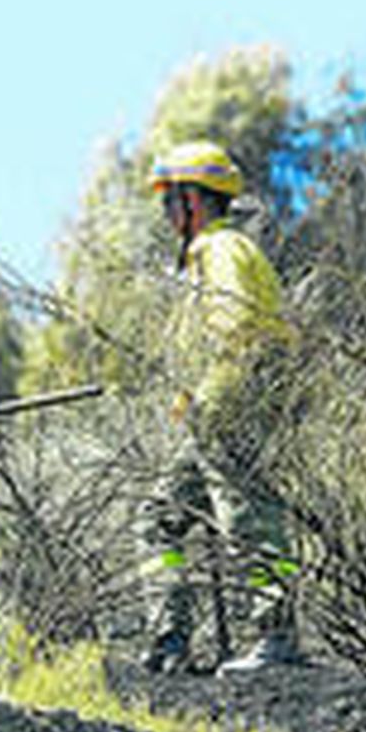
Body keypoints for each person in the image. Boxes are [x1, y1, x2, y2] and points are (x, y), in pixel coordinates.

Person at [141, 140, 302, 675]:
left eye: (170, 200)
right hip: (214, 402)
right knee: (158, 518)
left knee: (247, 517)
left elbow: (237, 325)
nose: (164, 213)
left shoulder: (221, 248)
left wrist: (213, 397)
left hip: (228, 401)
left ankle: (275, 634)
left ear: (193, 201)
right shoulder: (211, 252)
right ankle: (169, 638)